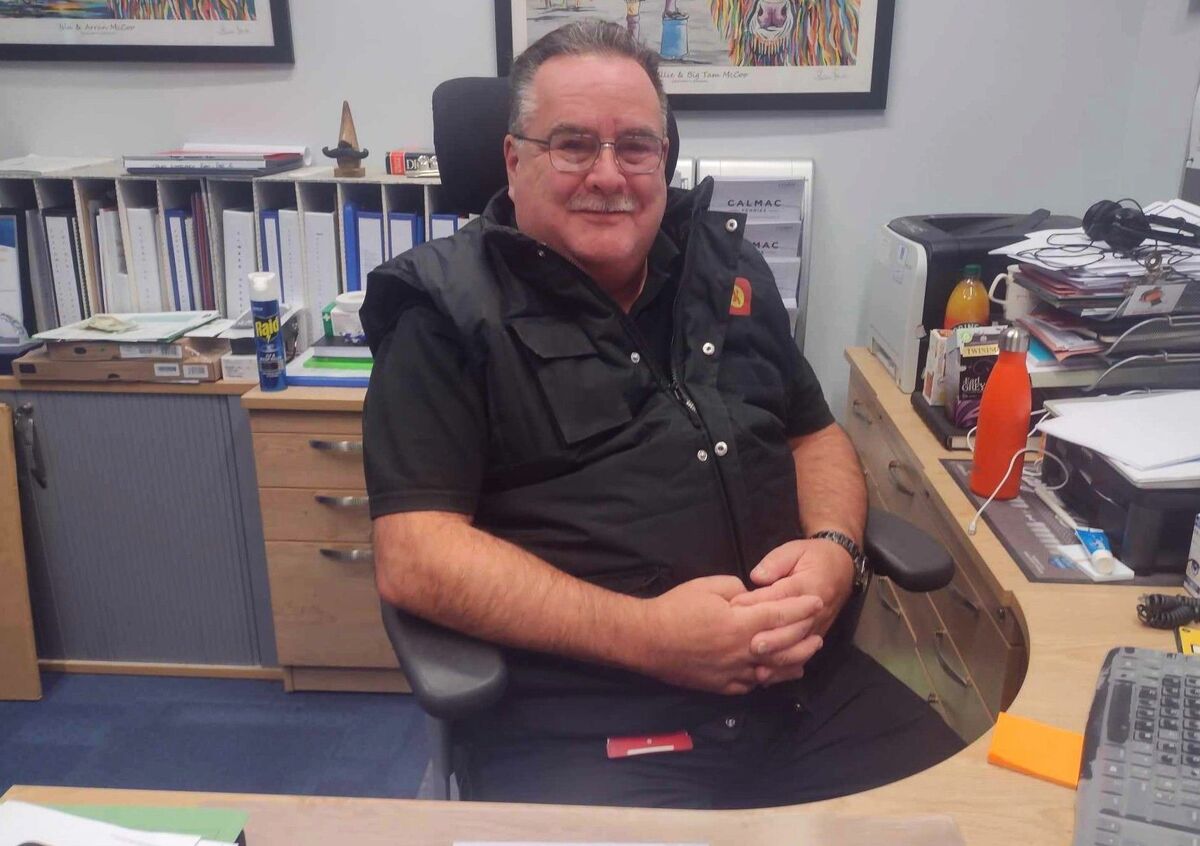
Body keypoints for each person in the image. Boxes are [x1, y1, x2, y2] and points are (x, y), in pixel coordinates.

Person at [362, 20, 961, 809]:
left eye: (637, 146)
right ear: (513, 160)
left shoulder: (728, 266)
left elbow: (810, 431)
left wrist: (835, 550)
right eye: (572, 144)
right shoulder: (443, 312)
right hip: (595, 722)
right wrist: (652, 639)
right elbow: (417, 554)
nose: (609, 175)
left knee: (983, 820)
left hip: (803, 693)